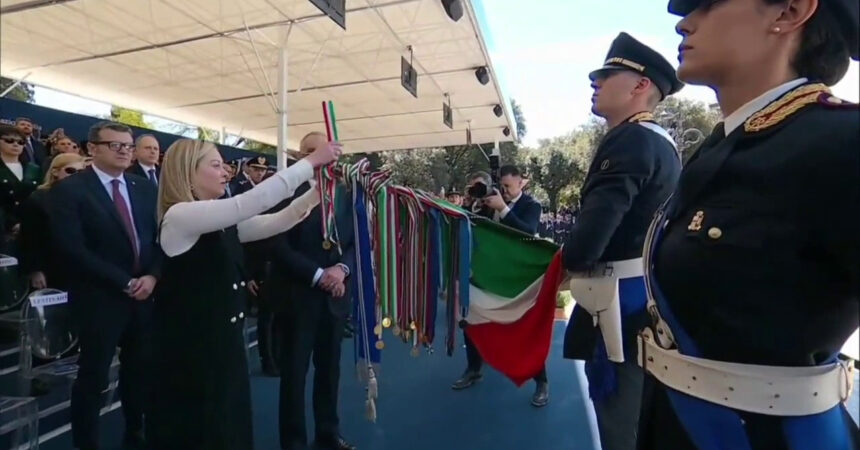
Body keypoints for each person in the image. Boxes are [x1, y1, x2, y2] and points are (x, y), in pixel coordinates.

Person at [637, 1, 859, 449]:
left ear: (790, 11)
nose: (684, 22)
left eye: (709, 3)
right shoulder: (724, 146)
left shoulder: (845, 143)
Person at [148, 138, 340, 450]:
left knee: (228, 428)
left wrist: (319, 192)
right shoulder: (180, 215)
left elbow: (278, 220)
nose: (225, 172)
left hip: (222, 348)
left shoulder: (217, 221)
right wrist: (310, 162)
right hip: (191, 354)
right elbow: (253, 202)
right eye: (214, 164)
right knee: (199, 431)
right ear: (187, 173)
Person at [557, 32, 683, 450]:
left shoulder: (630, 139)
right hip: (647, 294)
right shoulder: (662, 142)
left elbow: (588, 242)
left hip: (619, 301)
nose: (595, 81)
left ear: (640, 85)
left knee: (620, 423)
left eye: (606, 74)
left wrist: (564, 262)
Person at [48, 122, 162, 450]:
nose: (125, 150)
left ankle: (135, 432)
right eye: (117, 145)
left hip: (144, 296)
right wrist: (123, 281)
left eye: (128, 145)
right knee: (93, 377)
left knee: (139, 372)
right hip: (99, 298)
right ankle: (87, 442)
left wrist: (153, 276)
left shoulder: (144, 188)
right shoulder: (70, 190)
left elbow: (159, 237)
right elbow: (72, 248)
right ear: (92, 149)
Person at [269, 131, 356, 450]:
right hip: (297, 297)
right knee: (294, 375)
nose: (320, 158)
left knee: (329, 371)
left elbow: (356, 243)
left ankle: (328, 434)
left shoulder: (346, 192)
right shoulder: (284, 191)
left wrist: (341, 270)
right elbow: (277, 246)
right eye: (311, 152)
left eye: (327, 152)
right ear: (300, 155)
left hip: (334, 299)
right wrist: (319, 274)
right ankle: (293, 441)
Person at [452, 165, 550, 407]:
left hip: (517, 281)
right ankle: (474, 368)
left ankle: (541, 381)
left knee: (525, 330)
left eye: (508, 186)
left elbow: (528, 233)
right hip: (487, 277)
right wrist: (473, 204)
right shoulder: (487, 202)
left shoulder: (531, 205)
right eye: (502, 186)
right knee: (472, 320)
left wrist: (503, 210)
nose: (504, 191)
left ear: (521, 183)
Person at [20, 153, 86, 291]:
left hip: (80, 266)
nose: (76, 176)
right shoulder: (39, 198)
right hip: (51, 265)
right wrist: (35, 270)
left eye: (81, 172)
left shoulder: (86, 197)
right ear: (55, 171)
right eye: (70, 171)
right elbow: (30, 238)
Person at [0, 125, 41, 250]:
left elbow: (39, 197)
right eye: (9, 140)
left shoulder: (33, 169)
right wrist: (11, 223)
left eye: (20, 142)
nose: (15, 144)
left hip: (30, 226)